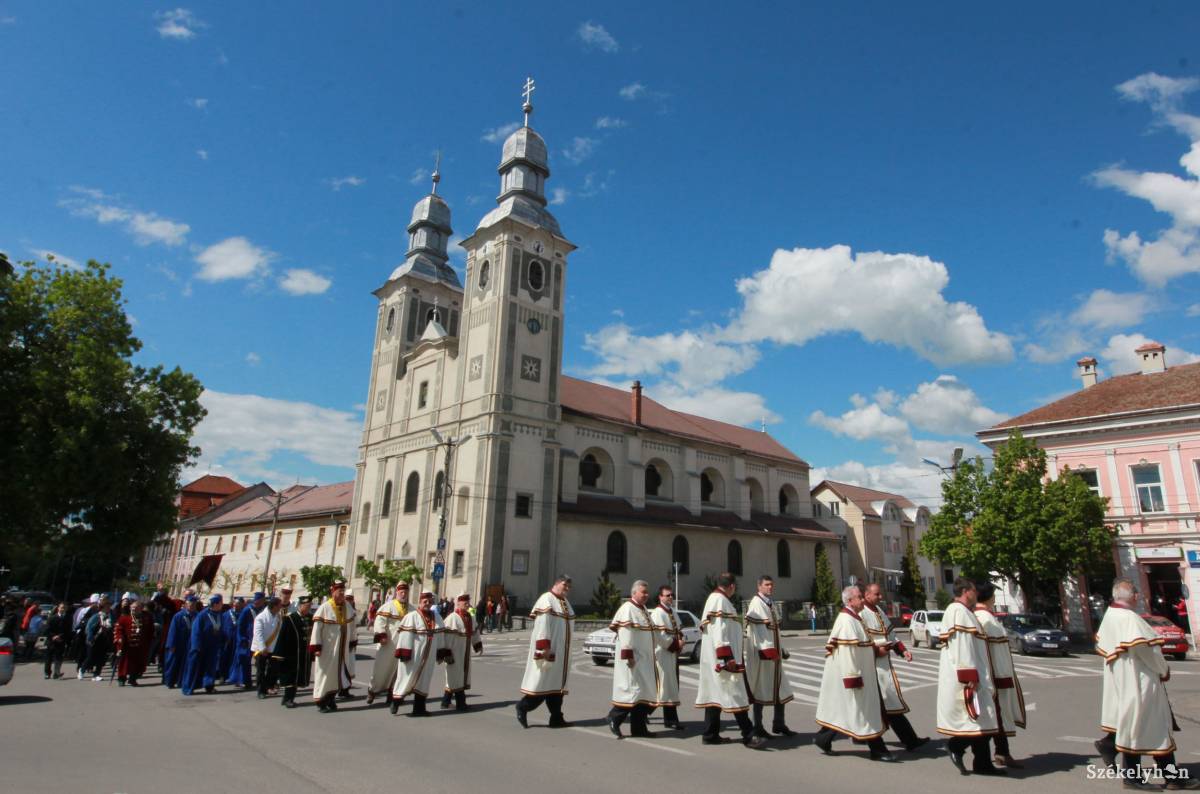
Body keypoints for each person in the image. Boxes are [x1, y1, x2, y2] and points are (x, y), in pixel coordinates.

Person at [1094, 578, 1197, 791]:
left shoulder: (1111, 614)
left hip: (1125, 682)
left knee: (1144, 727)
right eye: (1135, 593)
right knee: (1148, 726)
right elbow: (1147, 652)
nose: (1137, 597)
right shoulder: (1130, 619)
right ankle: (1138, 777)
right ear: (1132, 596)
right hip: (1140, 682)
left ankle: (1169, 776)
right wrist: (1163, 669)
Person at [814, 585, 895, 762]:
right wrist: (853, 678)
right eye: (859, 597)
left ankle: (823, 739)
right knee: (864, 712)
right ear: (850, 601)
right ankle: (878, 749)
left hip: (861, 674)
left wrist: (876, 647)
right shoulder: (846, 621)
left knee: (845, 711)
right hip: (854, 676)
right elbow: (847, 652)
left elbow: (862, 645)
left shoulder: (855, 618)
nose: (862, 600)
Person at [937, 577, 1004, 776]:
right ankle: (956, 746)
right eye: (974, 590)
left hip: (976, 675)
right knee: (977, 720)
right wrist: (970, 676)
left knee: (982, 722)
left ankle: (982, 764)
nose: (977, 594)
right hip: (968, 678)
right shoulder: (958, 612)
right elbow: (962, 647)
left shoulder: (964, 612)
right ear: (966, 591)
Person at [696, 572, 767, 749]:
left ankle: (710, 734)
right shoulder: (720, 601)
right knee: (737, 695)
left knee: (715, 696)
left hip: (717, 658)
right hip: (724, 659)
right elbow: (720, 630)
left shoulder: (716, 599)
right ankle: (749, 735)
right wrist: (726, 656)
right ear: (732, 586)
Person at [861, 583, 929, 751]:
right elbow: (859, 643)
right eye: (877, 594)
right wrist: (876, 651)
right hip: (870, 666)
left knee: (889, 703)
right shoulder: (861, 613)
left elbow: (891, 635)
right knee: (871, 704)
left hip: (883, 667)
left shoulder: (879, 611)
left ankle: (910, 740)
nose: (881, 597)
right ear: (867, 595)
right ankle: (826, 736)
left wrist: (902, 650)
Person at [973, 581, 1025, 768]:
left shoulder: (985, 616)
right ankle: (962, 747)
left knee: (999, 716)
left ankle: (1002, 752)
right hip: (994, 675)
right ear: (990, 597)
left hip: (998, 673)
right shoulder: (984, 619)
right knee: (995, 716)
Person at [516, 575, 575, 729]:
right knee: (541, 686)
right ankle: (523, 707)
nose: (567, 588)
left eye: (569, 586)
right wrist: (544, 648)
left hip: (562, 653)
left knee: (557, 688)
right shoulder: (546, 599)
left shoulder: (565, 602)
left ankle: (556, 718)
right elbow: (542, 625)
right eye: (565, 585)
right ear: (556, 583)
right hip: (549, 651)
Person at [606, 580, 659, 739]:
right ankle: (614, 718)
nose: (646, 595)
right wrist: (628, 657)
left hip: (645, 660)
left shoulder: (642, 609)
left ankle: (639, 729)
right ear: (633, 593)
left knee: (642, 695)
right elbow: (626, 635)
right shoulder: (628, 609)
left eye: (647, 592)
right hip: (633, 661)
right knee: (631, 692)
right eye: (643, 592)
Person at [744, 575, 795, 738]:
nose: (770, 587)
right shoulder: (756, 604)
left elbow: (775, 632)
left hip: (774, 656)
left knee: (781, 690)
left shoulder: (769, 603)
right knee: (761, 690)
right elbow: (758, 632)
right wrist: (769, 651)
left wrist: (782, 649)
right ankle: (757, 726)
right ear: (759, 586)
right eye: (767, 585)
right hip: (764, 658)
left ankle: (779, 724)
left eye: (771, 585)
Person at [392, 590, 450, 716]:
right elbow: (405, 636)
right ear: (420, 602)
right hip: (413, 655)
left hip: (428, 656)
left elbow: (440, 636)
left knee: (424, 680)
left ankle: (419, 708)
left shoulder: (437, 617)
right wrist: (405, 653)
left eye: (430, 602)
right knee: (406, 678)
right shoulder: (411, 616)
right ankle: (396, 701)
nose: (427, 604)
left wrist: (440, 652)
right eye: (425, 601)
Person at [309, 579, 357, 713]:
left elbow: (352, 625)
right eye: (339, 591)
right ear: (333, 592)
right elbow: (317, 629)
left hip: (342, 649)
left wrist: (353, 641)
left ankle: (331, 699)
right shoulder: (324, 608)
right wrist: (316, 647)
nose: (342, 593)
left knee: (337, 675)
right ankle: (321, 701)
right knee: (325, 675)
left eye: (343, 591)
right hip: (327, 649)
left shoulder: (348, 607)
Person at [367, 582, 410, 705]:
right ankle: (372, 691)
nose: (403, 594)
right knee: (381, 670)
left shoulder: (411, 609)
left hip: (403, 645)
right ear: (397, 592)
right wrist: (381, 635)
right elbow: (380, 621)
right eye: (401, 592)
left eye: (406, 592)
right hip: (388, 644)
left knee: (399, 672)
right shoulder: (388, 607)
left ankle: (393, 696)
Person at [650, 585, 684, 730]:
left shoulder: (672, 611)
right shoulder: (658, 613)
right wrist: (676, 644)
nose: (670, 598)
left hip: (672, 655)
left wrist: (681, 640)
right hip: (663, 655)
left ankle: (670, 720)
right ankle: (641, 712)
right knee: (663, 688)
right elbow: (660, 637)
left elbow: (679, 630)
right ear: (660, 597)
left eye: (672, 595)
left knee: (671, 687)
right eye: (667, 595)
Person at [441, 593, 483, 711]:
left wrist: (477, 645)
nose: (468, 605)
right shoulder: (452, 618)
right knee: (454, 676)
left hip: (465, 653)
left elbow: (474, 633)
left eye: (468, 602)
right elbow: (446, 638)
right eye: (465, 603)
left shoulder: (470, 617)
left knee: (459, 677)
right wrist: (447, 653)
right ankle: (461, 703)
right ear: (458, 603)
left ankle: (446, 702)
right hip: (454, 652)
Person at [183, 594, 230, 696]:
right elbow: (196, 631)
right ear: (215, 604)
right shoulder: (203, 615)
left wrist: (224, 639)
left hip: (212, 646)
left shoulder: (219, 615)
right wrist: (196, 646)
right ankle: (188, 687)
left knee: (211, 667)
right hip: (201, 646)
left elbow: (220, 629)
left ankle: (209, 686)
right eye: (221, 603)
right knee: (194, 667)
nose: (222, 605)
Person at [275, 596, 310, 708]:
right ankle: (287, 699)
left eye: (309, 606)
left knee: (298, 677)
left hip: (303, 654)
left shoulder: (309, 618)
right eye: (306, 606)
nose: (308, 608)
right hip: (291, 653)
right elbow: (282, 636)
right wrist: (279, 654)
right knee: (290, 676)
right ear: (300, 606)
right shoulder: (290, 618)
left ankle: (289, 698)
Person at [114, 598, 155, 686]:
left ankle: (133, 679)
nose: (133, 610)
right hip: (127, 645)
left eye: (136, 608)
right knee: (124, 663)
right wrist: (120, 638)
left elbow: (151, 630)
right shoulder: (124, 617)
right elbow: (118, 630)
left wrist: (149, 641)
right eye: (132, 608)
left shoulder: (147, 617)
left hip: (141, 646)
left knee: (138, 663)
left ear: (141, 608)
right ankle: (122, 679)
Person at [229, 592, 263, 690]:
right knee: (244, 660)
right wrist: (242, 638)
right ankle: (243, 681)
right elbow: (240, 625)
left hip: (257, 639)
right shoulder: (247, 610)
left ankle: (258, 680)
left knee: (259, 661)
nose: (262, 602)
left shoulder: (262, 610)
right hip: (246, 640)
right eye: (260, 600)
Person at [164, 596, 199, 689]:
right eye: (191, 604)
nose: (192, 606)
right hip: (178, 643)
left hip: (190, 644)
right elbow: (173, 631)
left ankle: (181, 682)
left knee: (186, 664)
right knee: (174, 663)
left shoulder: (197, 616)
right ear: (186, 605)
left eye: (194, 605)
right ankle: (170, 681)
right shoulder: (179, 616)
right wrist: (171, 644)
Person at [252, 597, 284, 699]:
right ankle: (261, 691)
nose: (281, 607)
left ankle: (269, 687)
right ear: (274, 606)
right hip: (261, 649)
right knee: (261, 670)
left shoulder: (279, 617)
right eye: (279, 605)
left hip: (274, 648)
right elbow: (258, 633)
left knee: (273, 669)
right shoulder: (260, 617)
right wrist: (262, 647)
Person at [84, 596, 114, 682]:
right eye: (107, 606)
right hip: (95, 638)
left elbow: (113, 625)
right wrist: (90, 638)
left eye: (109, 606)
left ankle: (96, 674)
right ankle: (82, 670)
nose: (109, 607)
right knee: (91, 657)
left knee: (101, 658)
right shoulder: (96, 615)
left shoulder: (111, 615)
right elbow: (89, 627)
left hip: (105, 639)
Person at [72, 595, 99, 679]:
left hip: (92, 634)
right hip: (83, 634)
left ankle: (89, 667)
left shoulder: (99, 611)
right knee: (83, 652)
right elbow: (79, 621)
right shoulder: (85, 610)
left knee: (90, 653)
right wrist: (77, 629)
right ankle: (80, 667)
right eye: (95, 603)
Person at [43, 603, 72, 680]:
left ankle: (57, 672)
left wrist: (61, 636)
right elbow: (47, 630)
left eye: (64, 608)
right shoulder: (52, 618)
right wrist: (53, 636)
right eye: (61, 607)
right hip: (51, 641)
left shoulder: (68, 618)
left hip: (61, 640)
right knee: (49, 658)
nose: (63, 609)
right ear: (58, 608)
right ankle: (47, 673)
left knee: (59, 658)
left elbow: (68, 630)